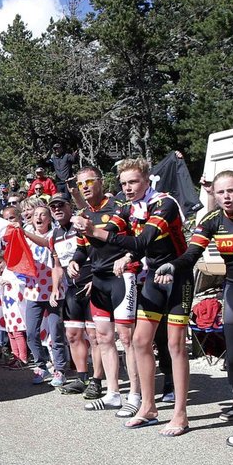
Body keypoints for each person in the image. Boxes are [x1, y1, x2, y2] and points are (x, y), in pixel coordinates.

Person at [157, 171, 233, 451]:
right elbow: (192, 254)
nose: (226, 197)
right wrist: (175, 266)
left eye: (232, 191)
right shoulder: (212, 220)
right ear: (214, 194)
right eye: (220, 192)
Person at [75, 158, 191, 434]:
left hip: (177, 275)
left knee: (175, 345)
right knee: (140, 341)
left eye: (133, 182)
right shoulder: (127, 206)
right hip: (153, 276)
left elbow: (142, 241)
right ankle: (148, 407)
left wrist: (100, 234)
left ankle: (180, 414)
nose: (127, 188)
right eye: (124, 183)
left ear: (147, 180)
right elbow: (113, 230)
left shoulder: (164, 203)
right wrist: (87, 229)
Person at [70, 168, 140, 413]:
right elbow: (83, 248)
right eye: (80, 184)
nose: (85, 187)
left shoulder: (119, 206)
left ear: (100, 182)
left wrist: (86, 227)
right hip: (99, 278)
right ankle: (113, 393)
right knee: (103, 338)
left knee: (127, 338)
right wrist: (74, 261)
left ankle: (135, 395)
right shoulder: (83, 213)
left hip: (122, 275)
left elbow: (109, 235)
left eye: (89, 181)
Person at [48, 192, 100, 395]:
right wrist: (54, 288)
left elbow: (100, 253)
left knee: (95, 336)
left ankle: (97, 380)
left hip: (93, 284)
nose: (57, 209)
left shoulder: (82, 224)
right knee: (73, 334)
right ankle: (82, 378)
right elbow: (57, 265)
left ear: (70, 207)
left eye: (61, 205)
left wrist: (97, 279)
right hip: (72, 288)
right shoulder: (54, 235)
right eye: (53, 207)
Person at [17, 205, 69, 385]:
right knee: (31, 333)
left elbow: (47, 244)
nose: (39, 218)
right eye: (35, 215)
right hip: (33, 291)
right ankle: (41, 366)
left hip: (54, 292)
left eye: (43, 215)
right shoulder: (25, 235)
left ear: (49, 219)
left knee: (56, 333)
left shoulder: (55, 234)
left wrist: (24, 233)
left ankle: (60, 369)